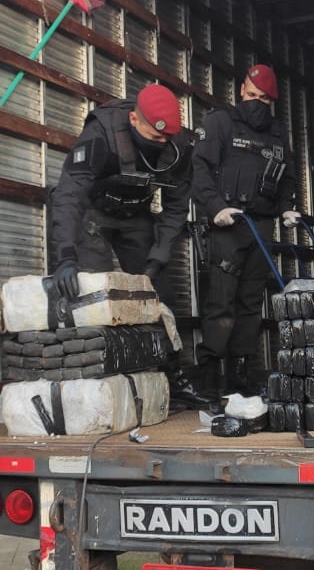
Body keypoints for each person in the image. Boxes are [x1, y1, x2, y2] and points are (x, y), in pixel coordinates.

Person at [46, 83, 209, 408]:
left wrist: (158, 256)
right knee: (95, 294)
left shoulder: (178, 146)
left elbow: (176, 207)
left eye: (166, 138)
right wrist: (66, 256)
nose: (161, 143)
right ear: (134, 119)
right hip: (93, 215)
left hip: (135, 214)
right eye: (154, 136)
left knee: (159, 293)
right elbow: (68, 194)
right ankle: (97, 381)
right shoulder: (101, 134)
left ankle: (171, 373)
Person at [190, 64, 301, 398]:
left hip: (262, 225)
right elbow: (200, 170)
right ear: (241, 90)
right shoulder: (220, 122)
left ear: (272, 101)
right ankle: (210, 374)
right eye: (252, 95)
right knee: (221, 301)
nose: (256, 103)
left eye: (264, 99)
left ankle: (240, 374)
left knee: (251, 301)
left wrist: (286, 207)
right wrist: (215, 208)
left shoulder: (278, 134)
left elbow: (287, 177)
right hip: (228, 222)